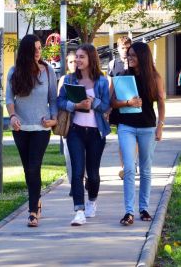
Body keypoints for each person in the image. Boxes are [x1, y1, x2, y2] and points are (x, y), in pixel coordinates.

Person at [5, 34, 57, 227]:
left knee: (34, 166)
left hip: (41, 128)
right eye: (34, 49)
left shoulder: (48, 71)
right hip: (20, 128)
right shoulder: (14, 72)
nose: (38, 52)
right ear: (26, 51)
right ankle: (37, 202)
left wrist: (53, 119)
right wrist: (12, 116)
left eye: (40, 48)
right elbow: (9, 99)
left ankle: (32, 211)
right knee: (28, 169)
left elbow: (53, 98)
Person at [111, 42, 165, 226]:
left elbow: (162, 103)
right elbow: (113, 103)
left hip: (147, 127)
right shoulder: (122, 76)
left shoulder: (155, 78)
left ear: (143, 56)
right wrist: (128, 103)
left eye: (133, 54)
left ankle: (143, 208)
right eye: (128, 54)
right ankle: (128, 212)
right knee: (128, 168)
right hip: (126, 126)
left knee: (146, 169)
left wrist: (160, 126)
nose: (129, 57)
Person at [57, 44, 111, 226]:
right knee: (77, 171)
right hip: (75, 131)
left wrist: (92, 102)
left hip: (96, 132)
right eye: (77, 57)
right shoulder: (70, 79)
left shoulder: (101, 81)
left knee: (93, 175)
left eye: (82, 57)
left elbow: (106, 106)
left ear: (91, 59)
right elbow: (60, 100)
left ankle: (92, 201)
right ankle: (78, 211)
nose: (78, 60)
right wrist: (76, 106)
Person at [107, 36, 132, 180]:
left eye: (127, 47)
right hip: (118, 105)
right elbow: (110, 86)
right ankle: (124, 166)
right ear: (118, 48)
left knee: (133, 138)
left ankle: (131, 162)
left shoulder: (135, 62)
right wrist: (108, 106)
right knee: (122, 137)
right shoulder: (113, 64)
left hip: (134, 105)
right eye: (122, 47)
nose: (125, 50)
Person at [58, 52, 77, 196]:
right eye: (71, 62)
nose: (74, 64)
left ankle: (86, 179)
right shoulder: (64, 79)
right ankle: (73, 185)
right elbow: (59, 101)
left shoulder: (88, 79)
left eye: (76, 61)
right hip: (68, 123)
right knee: (69, 155)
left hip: (86, 124)